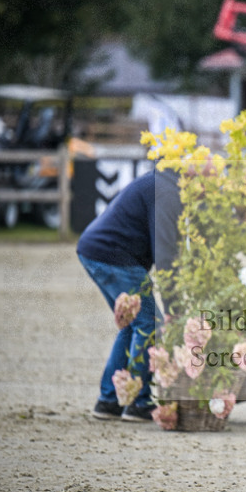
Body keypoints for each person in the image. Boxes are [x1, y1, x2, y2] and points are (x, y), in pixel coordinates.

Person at [77, 167, 182, 422]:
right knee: (150, 324)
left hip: (97, 250)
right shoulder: (166, 191)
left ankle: (110, 401)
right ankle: (137, 401)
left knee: (132, 326)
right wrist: (173, 310)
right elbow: (165, 254)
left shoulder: (162, 181)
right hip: (114, 255)